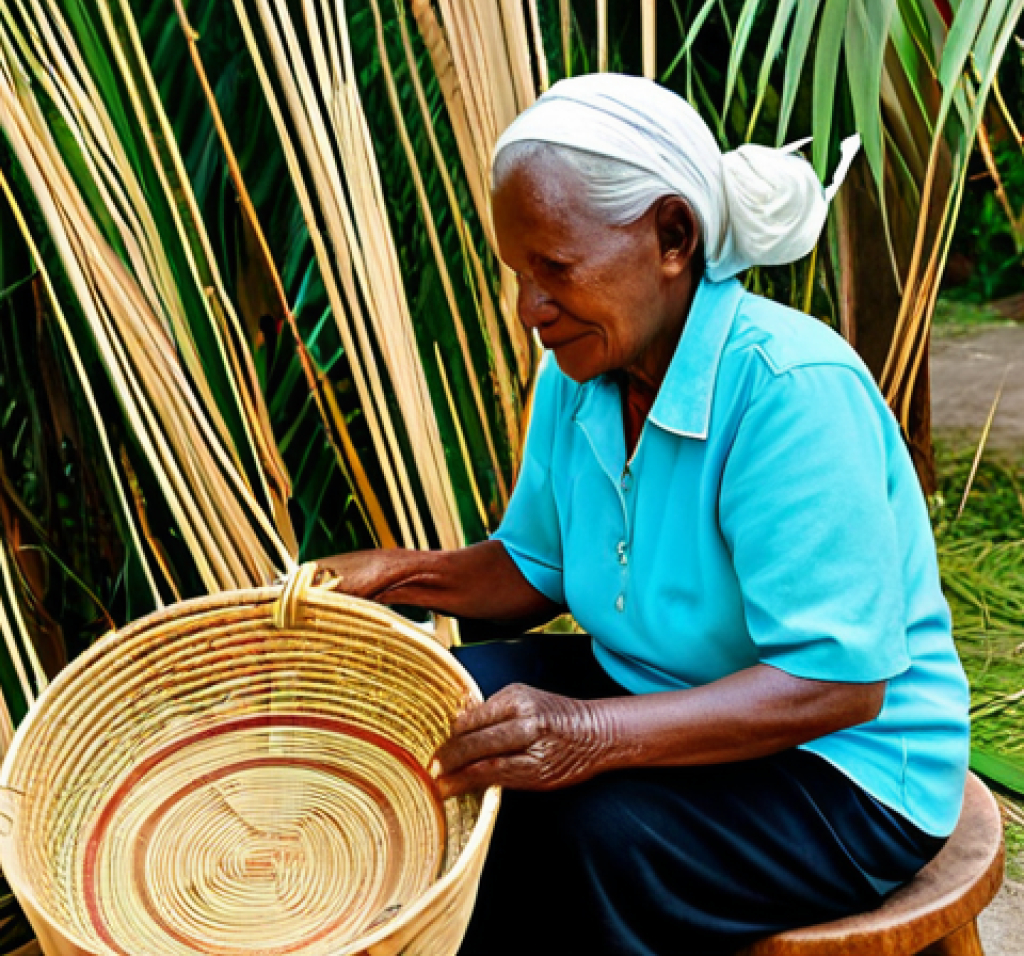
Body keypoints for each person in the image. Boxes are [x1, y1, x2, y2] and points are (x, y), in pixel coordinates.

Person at [317, 74, 969, 956]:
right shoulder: (581, 377)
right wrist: (388, 577)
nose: (530, 312)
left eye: (555, 268)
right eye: (518, 274)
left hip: (849, 771)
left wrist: (588, 734)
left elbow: (838, 683)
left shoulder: (789, 393)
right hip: (666, 688)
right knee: (441, 713)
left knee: (580, 838)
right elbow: (531, 567)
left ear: (672, 237)